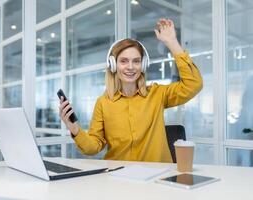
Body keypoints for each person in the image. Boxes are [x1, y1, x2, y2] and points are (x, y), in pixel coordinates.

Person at [59, 18, 203, 163]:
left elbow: (193, 84)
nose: (130, 67)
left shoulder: (157, 94)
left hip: (156, 176)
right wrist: (75, 129)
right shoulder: (103, 103)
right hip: (119, 177)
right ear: (113, 65)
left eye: (136, 61)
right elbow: (93, 147)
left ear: (143, 64)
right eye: (123, 61)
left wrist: (172, 43)